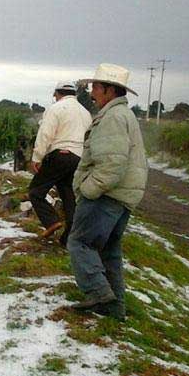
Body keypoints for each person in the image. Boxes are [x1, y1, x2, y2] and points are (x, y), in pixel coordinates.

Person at [67, 63, 148, 321]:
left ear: (109, 90)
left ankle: (99, 293)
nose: (92, 93)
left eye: (95, 87)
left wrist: (87, 189)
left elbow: (112, 164)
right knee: (109, 252)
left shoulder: (112, 118)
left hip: (107, 196)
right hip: (122, 197)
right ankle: (115, 309)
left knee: (79, 242)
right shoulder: (123, 115)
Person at [28, 81, 92, 246]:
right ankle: (68, 237)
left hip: (60, 154)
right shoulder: (85, 113)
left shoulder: (56, 108)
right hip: (78, 157)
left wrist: (37, 157)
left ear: (58, 93)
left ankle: (51, 221)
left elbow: (45, 134)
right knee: (68, 194)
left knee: (36, 191)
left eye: (55, 95)